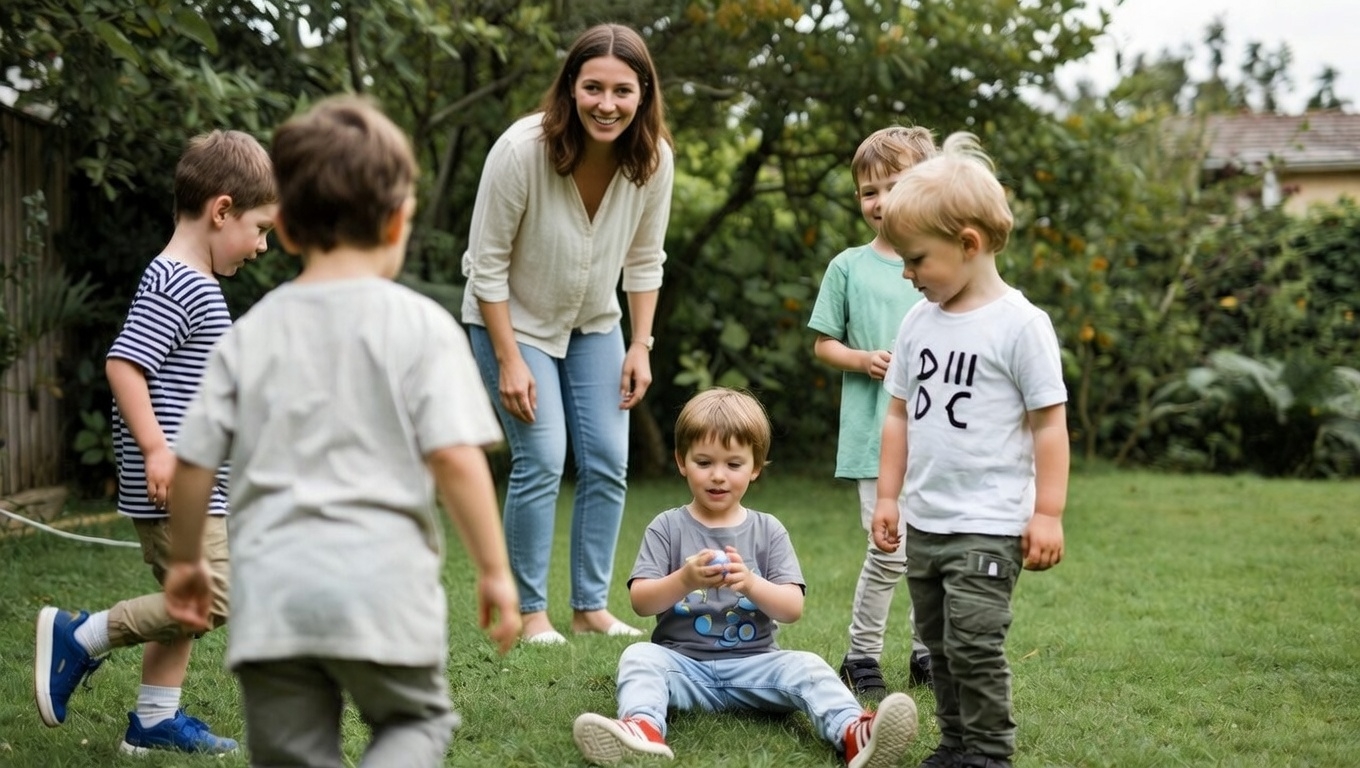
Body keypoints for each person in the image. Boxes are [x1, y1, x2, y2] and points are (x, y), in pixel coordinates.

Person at [161, 95, 522, 767]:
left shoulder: (249, 335)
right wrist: (495, 572)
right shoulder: (420, 327)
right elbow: (455, 458)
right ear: (397, 221)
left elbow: (194, 462)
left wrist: (185, 563)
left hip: (274, 603)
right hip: (384, 591)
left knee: (293, 754)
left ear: (286, 228)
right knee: (414, 723)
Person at [34, 129, 276, 755]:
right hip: (179, 482)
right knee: (211, 597)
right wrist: (156, 449)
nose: (262, 245)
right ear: (222, 210)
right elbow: (124, 365)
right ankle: (80, 637)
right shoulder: (179, 280)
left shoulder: (193, 281)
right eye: (259, 229)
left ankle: (153, 720)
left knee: (184, 603)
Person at [460, 23, 674, 644]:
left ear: (643, 94)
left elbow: (645, 260)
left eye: (622, 91)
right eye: (593, 88)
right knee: (543, 457)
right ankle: (530, 613)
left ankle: (588, 609)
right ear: (571, 87)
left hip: (595, 323)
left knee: (608, 461)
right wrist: (509, 359)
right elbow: (486, 266)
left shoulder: (654, 159)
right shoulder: (520, 150)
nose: (607, 104)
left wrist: (640, 345)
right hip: (513, 320)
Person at [572, 387, 919, 767]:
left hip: (757, 667)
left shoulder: (768, 530)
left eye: (733, 464)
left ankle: (853, 732)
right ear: (681, 461)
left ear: (755, 468)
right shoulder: (666, 527)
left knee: (807, 666)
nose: (718, 476)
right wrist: (686, 579)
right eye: (704, 462)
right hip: (683, 666)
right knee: (638, 656)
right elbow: (641, 602)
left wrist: (751, 583)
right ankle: (641, 728)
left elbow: (792, 608)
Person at [871, 132, 1070, 768]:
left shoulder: (1020, 325)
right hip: (927, 522)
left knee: (975, 643)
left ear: (968, 243)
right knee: (938, 646)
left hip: (989, 524)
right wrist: (888, 497)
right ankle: (955, 743)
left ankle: (988, 753)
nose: (907, 274)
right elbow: (898, 413)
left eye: (916, 259)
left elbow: (1049, 425)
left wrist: (1047, 512)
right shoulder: (917, 323)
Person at [808, 125, 937, 702]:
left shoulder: (941, 265)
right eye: (868, 191)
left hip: (936, 434)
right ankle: (860, 655)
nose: (880, 201)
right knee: (889, 552)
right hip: (874, 436)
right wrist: (863, 359)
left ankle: (927, 654)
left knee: (931, 553)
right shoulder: (849, 267)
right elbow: (823, 344)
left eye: (894, 185)